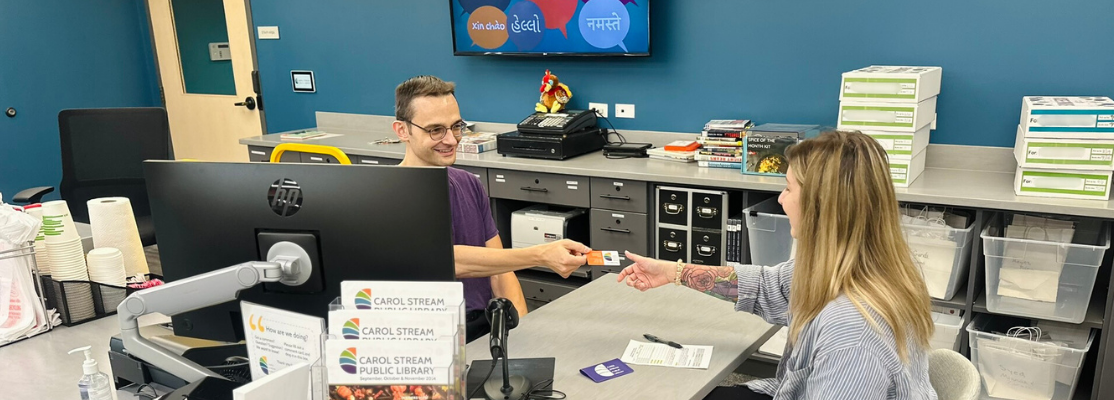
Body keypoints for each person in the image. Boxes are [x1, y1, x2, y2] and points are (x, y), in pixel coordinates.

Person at [617, 131, 937, 400]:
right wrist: (675, 272)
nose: (781, 200)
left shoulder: (851, 334)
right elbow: (767, 285)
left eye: (788, 188)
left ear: (821, 207)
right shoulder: (861, 266)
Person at [392, 75, 591, 341]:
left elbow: (500, 270)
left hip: (482, 324)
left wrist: (524, 333)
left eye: (456, 126)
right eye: (435, 130)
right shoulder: (388, 198)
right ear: (402, 130)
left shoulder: (468, 184)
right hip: (427, 336)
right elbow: (448, 260)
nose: (451, 140)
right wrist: (541, 254)